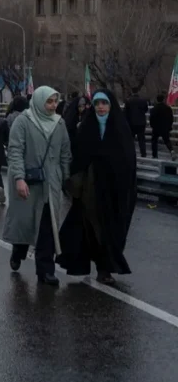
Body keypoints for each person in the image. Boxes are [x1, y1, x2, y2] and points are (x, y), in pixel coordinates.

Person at [57, 90, 136, 284]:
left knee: (110, 230)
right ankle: (95, 267)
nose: (100, 107)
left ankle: (105, 268)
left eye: (104, 103)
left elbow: (127, 160)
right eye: (97, 103)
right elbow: (78, 156)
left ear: (111, 105)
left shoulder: (120, 129)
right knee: (91, 228)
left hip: (114, 189)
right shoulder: (87, 127)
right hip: (90, 189)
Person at [3, 86, 71, 286]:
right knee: (26, 222)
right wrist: (19, 178)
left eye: (55, 101)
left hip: (51, 184)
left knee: (47, 227)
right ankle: (18, 249)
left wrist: (66, 180)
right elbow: (15, 151)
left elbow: (65, 154)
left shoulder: (59, 124)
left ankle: (45, 271)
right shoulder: (23, 122)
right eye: (49, 101)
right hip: (28, 182)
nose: (53, 106)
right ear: (40, 101)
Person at [149, 93, 175, 159]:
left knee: (154, 141)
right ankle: (171, 151)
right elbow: (171, 118)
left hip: (156, 128)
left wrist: (152, 126)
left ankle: (154, 155)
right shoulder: (168, 108)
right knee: (167, 140)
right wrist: (169, 126)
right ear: (163, 99)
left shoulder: (154, 109)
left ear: (157, 100)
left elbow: (151, 119)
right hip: (165, 127)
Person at [124, 92, 149, 157]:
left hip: (131, 123)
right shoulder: (143, 101)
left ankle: (131, 152)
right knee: (141, 139)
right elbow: (146, 109)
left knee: (131, 139)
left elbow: (125, 112)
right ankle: (143, 153)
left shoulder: (128, 101)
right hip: (141, 123)